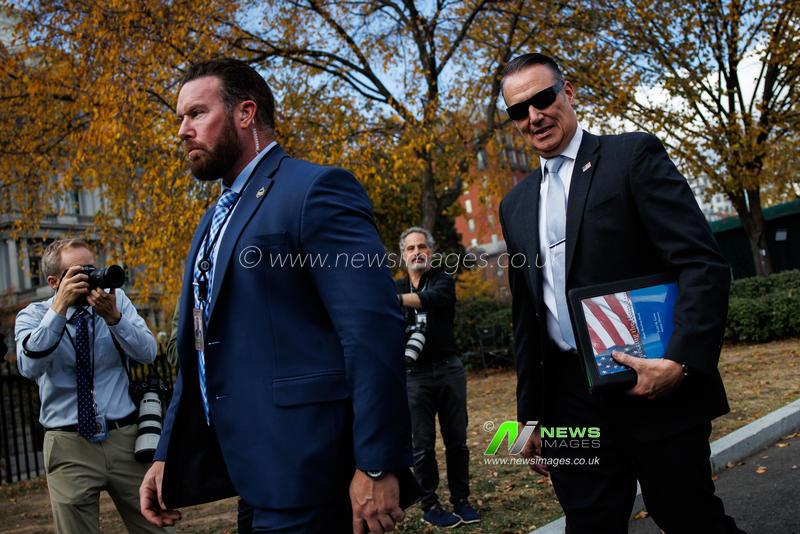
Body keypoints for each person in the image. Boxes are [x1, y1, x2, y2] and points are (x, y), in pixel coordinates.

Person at [139, 58, 412, 534]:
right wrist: (168, 453)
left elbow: (373, 331)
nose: (182, 130)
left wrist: (376, 462)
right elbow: (199, 346)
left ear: (246, 114)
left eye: (196, 113)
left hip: (315, 475)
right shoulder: (213, 220)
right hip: (253, 477)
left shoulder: (316, 190)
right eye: (180, 118)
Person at [498, 53, 744, 534]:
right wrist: (529, 415)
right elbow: (527, 316)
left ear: (568, 94)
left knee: (691, 519)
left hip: (650, 383)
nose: (534, 116)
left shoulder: (631, 157)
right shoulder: (515, 204)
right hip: (569, 400)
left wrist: (681, 361)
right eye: (518, 111)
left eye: (543, 98)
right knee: (588, 525)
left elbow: (701, 263)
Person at [14, 239, 166, 534]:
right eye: (79, 272)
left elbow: (147, 352)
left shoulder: (116, 301)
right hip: (68, 445)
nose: (91, 277)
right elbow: (29, 366)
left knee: (157, 528)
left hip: (126, 440)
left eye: (92, 269)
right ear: (54, 281)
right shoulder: (33, 316)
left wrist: (114, 319)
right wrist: (58, 311)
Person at [395, 227, 479, 528]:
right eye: (410, 248)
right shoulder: (397, 286)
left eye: (422, 247)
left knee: (457, 440)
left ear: (431, 252)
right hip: (414, 375)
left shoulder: (443, 280)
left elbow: (431, 299)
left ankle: (462, 500)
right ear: (403, 255)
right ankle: (430, 505)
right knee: (422, 445)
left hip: (448, 369)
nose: (417, 252)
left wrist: (394, 299)